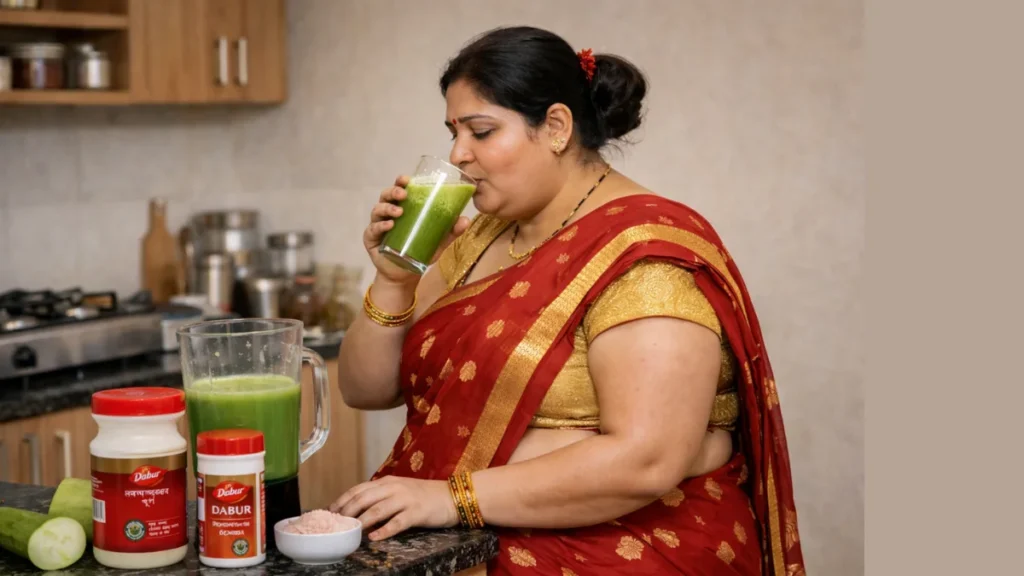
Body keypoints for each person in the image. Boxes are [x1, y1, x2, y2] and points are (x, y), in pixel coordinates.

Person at [333, 26, 805, 576]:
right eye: (453, 132)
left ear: (556, 127)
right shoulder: (485, 234)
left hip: (630, 548)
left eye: (481, 131)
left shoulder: (645, 255)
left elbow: (647, 459)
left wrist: (449, 499)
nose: (458, 155)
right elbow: (365, 390)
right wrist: (395, 278)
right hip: (476, 538)